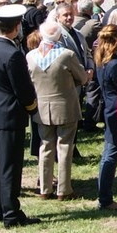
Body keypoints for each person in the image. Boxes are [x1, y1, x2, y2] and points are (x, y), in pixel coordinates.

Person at [0, 4, 40, 227]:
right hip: (10, 115)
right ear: (17, 27)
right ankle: (11, 213)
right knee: (10, 166)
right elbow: (23, 90)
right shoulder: (13, 54)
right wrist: (32, 108)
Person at [27, 21, 89, 200]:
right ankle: (64, 189)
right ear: (60, 36)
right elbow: (83, 78)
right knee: (65, 146)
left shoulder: (31, 56)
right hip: (65, 106)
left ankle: (45, 188)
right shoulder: (66, 55)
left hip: (42, 107)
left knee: (45, 146)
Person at [94, 24, 117, 211]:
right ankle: (104, 198)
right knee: (111, 154)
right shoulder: (115, 64)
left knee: (112, 153)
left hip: (111, 108)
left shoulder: (102, 59)